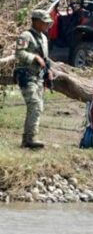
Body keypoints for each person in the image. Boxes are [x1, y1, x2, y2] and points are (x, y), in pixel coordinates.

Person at [14, 9, 54, 149]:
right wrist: (34, 57)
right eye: (44, 22)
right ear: (36, 22)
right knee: (35, 104)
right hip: (26, 75)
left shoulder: (43, 38)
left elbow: (45, 57)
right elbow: (19, 53)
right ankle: (30, 138)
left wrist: (48, 70)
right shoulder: (26, 35)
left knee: (38, 106)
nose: (47, 25)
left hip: (38, 76)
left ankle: (28, 139)